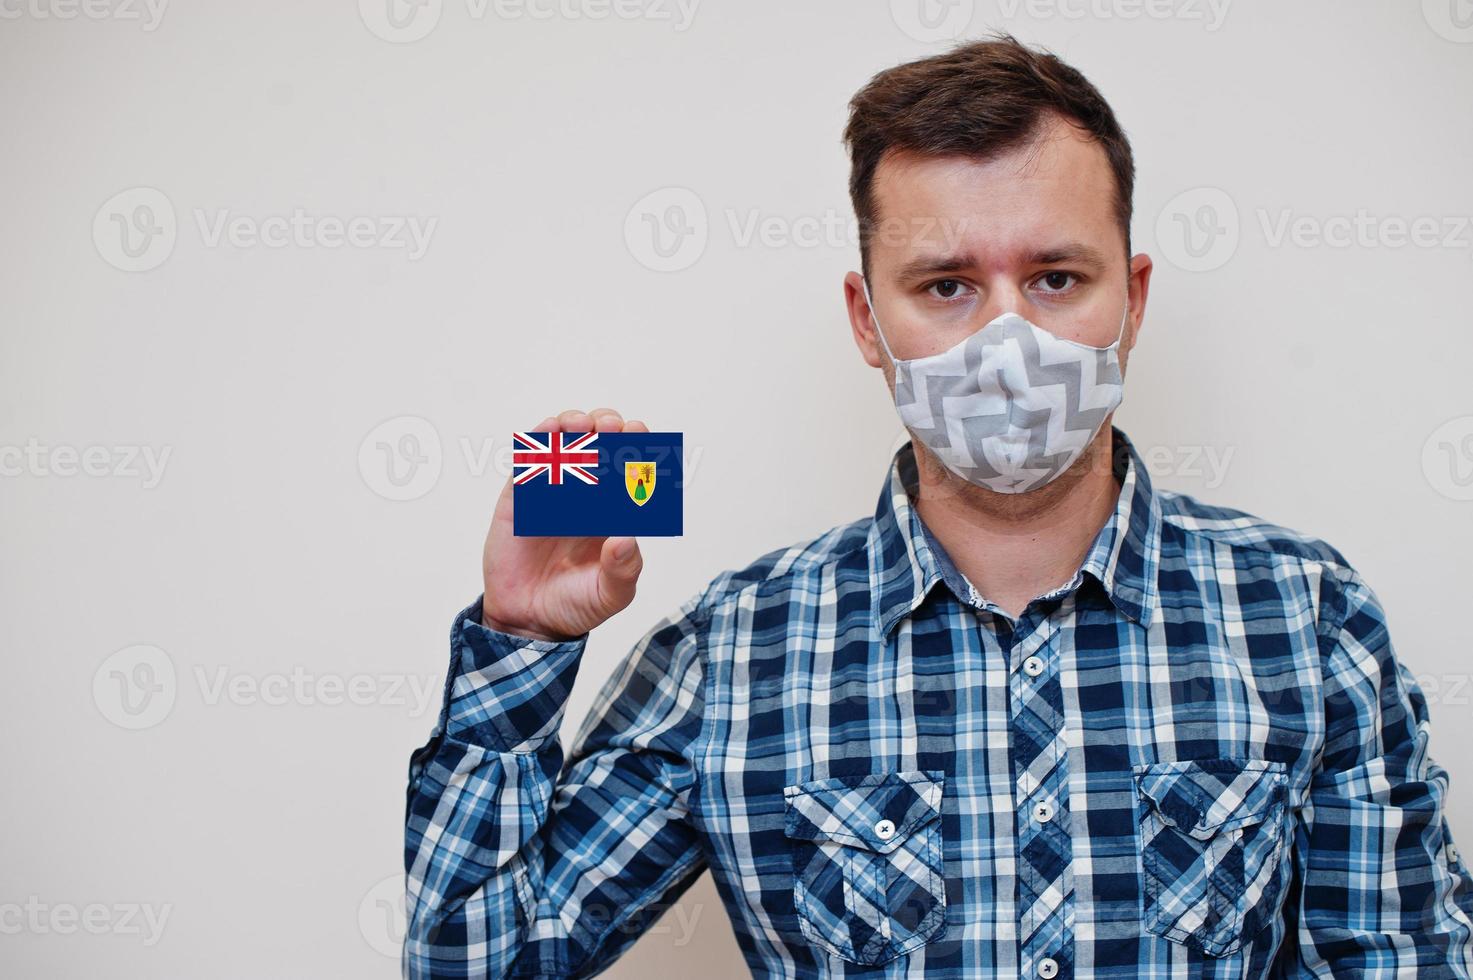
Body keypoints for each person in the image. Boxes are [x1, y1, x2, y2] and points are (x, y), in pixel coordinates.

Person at [402, 34, 1473, 978]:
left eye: (1056, 277)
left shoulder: (1306, 612)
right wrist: (521, 642)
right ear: (868, 320)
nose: (1008, 339)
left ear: (1132, 299)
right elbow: (474, 959)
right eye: (947, 285)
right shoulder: (733, 650)